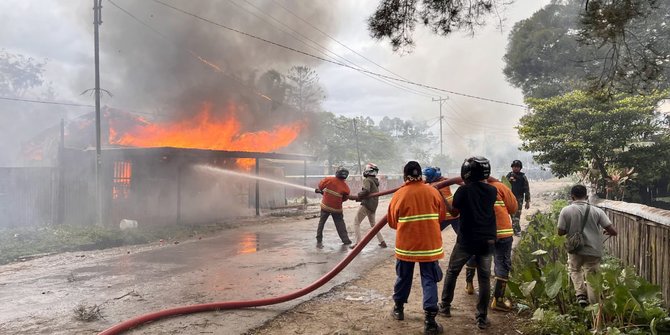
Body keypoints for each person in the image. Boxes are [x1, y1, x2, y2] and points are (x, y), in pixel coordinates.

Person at [388, 161, 446, 335]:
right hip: (429, 246)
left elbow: (392, 222)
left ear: (405, 176)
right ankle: (430, 322)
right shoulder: (433, 192)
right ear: (421, 175)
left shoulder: (399, 194)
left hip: (406, 247)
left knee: (403, 277)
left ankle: (398, 309)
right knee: (429, 280)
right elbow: (441, 216)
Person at [439, 156, 497, 330]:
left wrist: (441, 195)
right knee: (485, 278)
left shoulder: (463, 191)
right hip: (487, 240)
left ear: (467, 172)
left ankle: (445, 306)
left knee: (452, 272)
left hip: (467, 240)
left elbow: (454, 211)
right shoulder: (492, 191)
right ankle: (481, 317)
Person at [558, 184, 617, 307]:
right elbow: (613, 231)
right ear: (586, 196)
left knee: (574, 269)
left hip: (575, 249)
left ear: (572, 196)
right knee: (592, 277)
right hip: (593, 249)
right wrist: (606, 232)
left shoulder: (566, 210)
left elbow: (561, 232)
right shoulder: (597, 211)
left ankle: (580, 295)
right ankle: (594, 308)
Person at [350, 163, 387, 249]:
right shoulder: (375, 181)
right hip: (373, 205)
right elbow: (369, 193)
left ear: (367, 171)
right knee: (374, 225)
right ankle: (382, 241)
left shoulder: (367, 180)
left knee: (356, 222)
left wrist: (358, 195)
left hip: (367, 204)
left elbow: (366, 191)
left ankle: (358, 243)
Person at [314, 167, 353, 248]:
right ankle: (346, 240)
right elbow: (345, 198)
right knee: (340, 224)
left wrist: (322, 191)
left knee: (321, 223)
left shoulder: (329, 180)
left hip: (325, 206)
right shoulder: (346, 187)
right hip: (337, 209)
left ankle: (319, 240)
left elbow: (320, 186)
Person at [423, 166, 460, 232]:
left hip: (443, 216)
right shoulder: (445, 181)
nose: (425, 179)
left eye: (426, 177)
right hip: (454, 215)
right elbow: (459, 181)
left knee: (433, 234)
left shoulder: (431, 186)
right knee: (461, 235)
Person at [506, 160, 530, 236]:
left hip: (519, 198)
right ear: (512, 167)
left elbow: (526, 189)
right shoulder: (509, 176)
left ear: (520, 168)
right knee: (512, 215)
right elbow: (503, 186)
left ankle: (516, 230)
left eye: (517, 167)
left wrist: (527, 201)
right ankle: (514, 229)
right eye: (514, 167)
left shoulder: (523, 177)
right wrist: (509, 181)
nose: (515, 168)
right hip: (509, 198)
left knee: (517, 215)